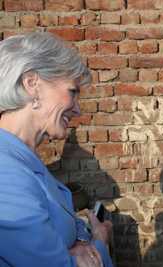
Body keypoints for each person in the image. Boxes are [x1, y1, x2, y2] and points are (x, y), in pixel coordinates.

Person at [0, 32, 113, 267]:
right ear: (32, 84)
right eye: (72, 92)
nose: (78, 110)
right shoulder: (5, 171)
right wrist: (99, 243)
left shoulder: (21, 158)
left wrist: (80, 241)